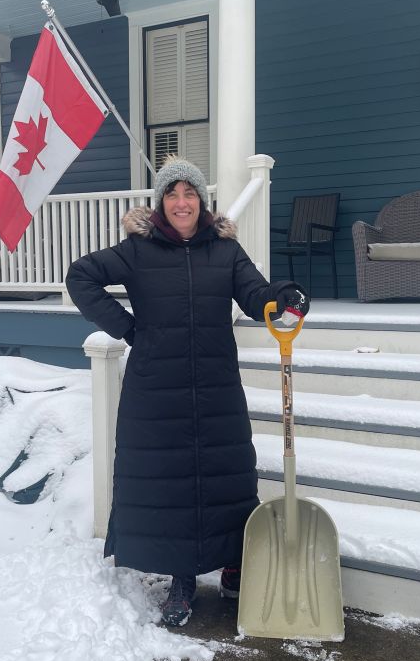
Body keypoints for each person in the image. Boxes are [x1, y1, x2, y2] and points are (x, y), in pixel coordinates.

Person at [66, 156, 310, 627]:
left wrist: (284, 297)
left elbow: (256, 294)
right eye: (173, 195)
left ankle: (233, 564)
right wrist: (130, 329)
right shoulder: (137, 250)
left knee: (228, 473)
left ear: (203, 201)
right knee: (172, 478)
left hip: (216, 381)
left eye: (190, 194)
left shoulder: (225, 250)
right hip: (158, 384)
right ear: (161, 203)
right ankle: (182, 577)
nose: (182, 203)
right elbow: (82, 276)